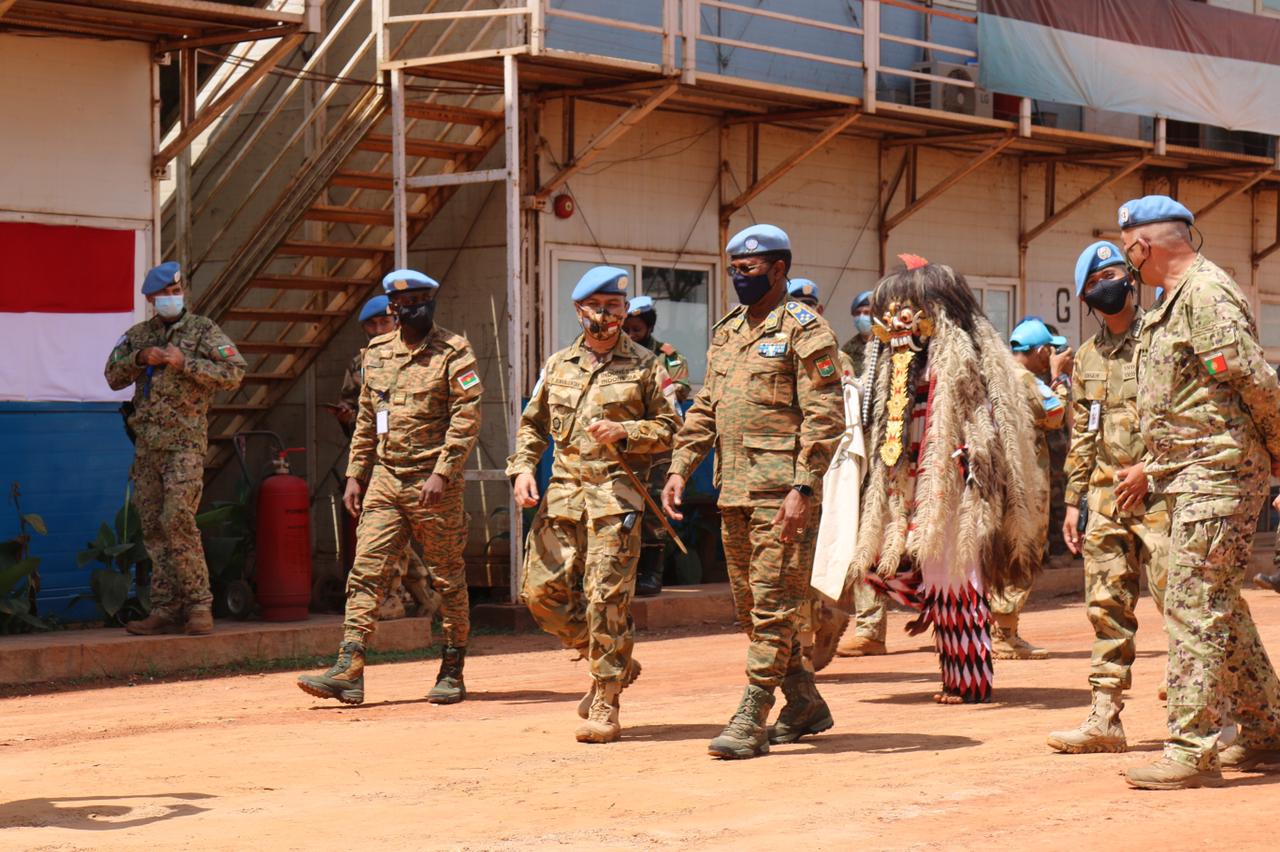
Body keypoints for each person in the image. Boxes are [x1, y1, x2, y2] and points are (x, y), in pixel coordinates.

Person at [1115, 196, 1280, 789]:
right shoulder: (1175, 302)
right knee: (1220, 606)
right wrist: (1154, 468)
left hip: (1219, 476)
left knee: (1192, 606)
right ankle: (1267, 731)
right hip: (1194, 473)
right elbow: (1193, 406)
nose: (1128, 260)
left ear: (1142, 245)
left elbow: (1253, 381)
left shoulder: (1205, 296)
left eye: (1127, 247)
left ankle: (1191, 747)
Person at [663, 225, 844, 758]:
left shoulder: (806, 331)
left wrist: (803, 487)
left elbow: (825, 416)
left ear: (779, 269)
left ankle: (752, 714)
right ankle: (805, 703)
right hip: (734, 493)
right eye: (734, 270)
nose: (740, 277)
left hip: (782, 496)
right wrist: (680, 467)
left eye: (750, 268)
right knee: (753, 609)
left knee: (773, 606)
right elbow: (704, 408)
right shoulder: (727, 331)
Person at [853, 255, 1043, 704]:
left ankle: (968, 680)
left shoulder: (968, 361)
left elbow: (990, 424)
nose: (897, 320)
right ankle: (934, 618)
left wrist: (974, 473)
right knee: (885, 564)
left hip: (956, 485)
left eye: (908, 308)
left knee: (955, 578)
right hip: (907, 483)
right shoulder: (894, 365)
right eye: (891, 310)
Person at [508, 266, 679, 744]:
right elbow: (532, 424)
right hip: (562, 498)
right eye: (598, 307)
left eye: (616, 307)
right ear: (579, 310)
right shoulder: (558, 365)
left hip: (615, 501)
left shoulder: (647, 366)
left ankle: (606, 697)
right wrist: (523, 468)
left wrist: (629, 430)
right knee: (540, 596)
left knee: (607, 599)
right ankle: (612, 657)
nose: (607, 315)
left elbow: (672, 428)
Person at [298, 269, 482, 706]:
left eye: (421, 298)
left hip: (434, 482)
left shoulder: (454, 351)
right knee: (366, 570)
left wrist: (443, 471)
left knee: (447, 578)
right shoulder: (375, 354)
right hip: (386, 478)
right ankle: (350, 668)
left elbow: (467, 417)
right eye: (404, 301)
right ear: (392, 308)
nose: (413, 306)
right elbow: (366, 419)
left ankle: (452, 668)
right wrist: (355, 475)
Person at [1046, 241, 1170, 755]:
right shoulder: (1089, 357)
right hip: (1104, 500)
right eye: (1096, 283)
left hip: (1164, 497)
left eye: (1115, 274)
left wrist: (1153, 469)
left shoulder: (1162, 340)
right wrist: (1074, 502)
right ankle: (1105, 718)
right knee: (1106, 609)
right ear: (1085, 299)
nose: (1109, 285)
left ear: (1133, 280)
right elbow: (1083, 435)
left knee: (1184, 606)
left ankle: (1213, 718)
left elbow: (1187, 421)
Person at [104, 261, 246, 636]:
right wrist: (138, 359)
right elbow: (112, 376)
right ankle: (166, 608)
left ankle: (199, 605)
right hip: (147, 448)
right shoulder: (139, 335)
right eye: (163, 294)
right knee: (152, 527)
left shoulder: (203, 331)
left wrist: (187, 364)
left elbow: (235, 373)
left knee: (178, 520)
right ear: (150, 298)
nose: (170, 298)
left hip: (184, 445)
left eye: (175, 291)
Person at [333, 295, 437, 621]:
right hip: (376, 459)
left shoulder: (418, 354)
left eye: (385, 322)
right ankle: (425, 595)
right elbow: (353, 407)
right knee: (390, 531)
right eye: (372, 324)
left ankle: (392, 598)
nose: (379, 329)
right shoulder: (360, 363)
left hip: (411, 456)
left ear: (397, 321)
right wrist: (346, 417)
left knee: (392, 531)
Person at [986, 318, 1071, 660]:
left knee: (1002, 550)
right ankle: (1004, 632)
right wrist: (1060, 376)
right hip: (1024, 481)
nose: (1052, 354)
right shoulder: (1025, 380)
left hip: (1000, 478)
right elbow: (1055, 413)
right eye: (1049, 349)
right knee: (1025, 549)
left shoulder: (997, 375)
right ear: (1039, 351)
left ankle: (998, 627)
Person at [784, 278, 850, 672]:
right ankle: (823, 622)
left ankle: (805, 647)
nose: (802, 312)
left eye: (808, 305)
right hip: (775, 472)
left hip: (817, 475)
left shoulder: (834, 358)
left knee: (802, 561)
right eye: (796, 304)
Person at [621, 294, 689, 598]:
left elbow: (681, 388)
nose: (631, 335)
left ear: (648, 327)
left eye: (637, 329)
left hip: (658, 444)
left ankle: (652, 572)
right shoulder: (618, 355)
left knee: (653, 506)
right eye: (628, 329)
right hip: (625, 442)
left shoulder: (666, 356)